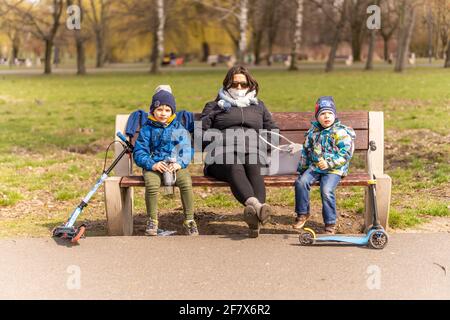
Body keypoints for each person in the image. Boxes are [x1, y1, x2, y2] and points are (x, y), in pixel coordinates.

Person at [200, 65, 279, 238]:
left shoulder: (259, 106)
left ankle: (254, 216)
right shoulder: (214, 106)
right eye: (234, 84)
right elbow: (200, 136)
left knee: (253, 165)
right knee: (234, 164)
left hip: (253, 153)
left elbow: (273, 133)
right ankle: (258, 208)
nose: (239, 88)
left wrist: (258, 145)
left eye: (243, 84)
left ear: (250, 85)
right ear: (227, 84)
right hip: (221, 156)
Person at [133, 87, 198, 236]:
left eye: (167, 110)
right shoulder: (147, 129)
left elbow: (187, 150)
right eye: (160, 109)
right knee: (151, 185)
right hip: (154, 166)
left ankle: (189, 220)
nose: (163, 113)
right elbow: (140, 151)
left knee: (186, 183)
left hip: (175, 165)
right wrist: (152, 164)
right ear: (153, 111)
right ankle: (152, 220)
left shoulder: (178, 127)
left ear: (172, 112)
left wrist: (179, 163)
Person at [292, 96, 356, 234]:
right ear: (317, 117)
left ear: (334, 115)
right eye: (322, 114)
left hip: (334, 169)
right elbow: (306, 152)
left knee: (326, 190)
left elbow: (346, 154)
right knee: (301, 182)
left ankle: (330, 223)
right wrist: (303, 170)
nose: (326, 116)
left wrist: (329, 163)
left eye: (329, 113)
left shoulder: (340, 132)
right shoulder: (313, 133)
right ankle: (302, 213)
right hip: (316, 167)